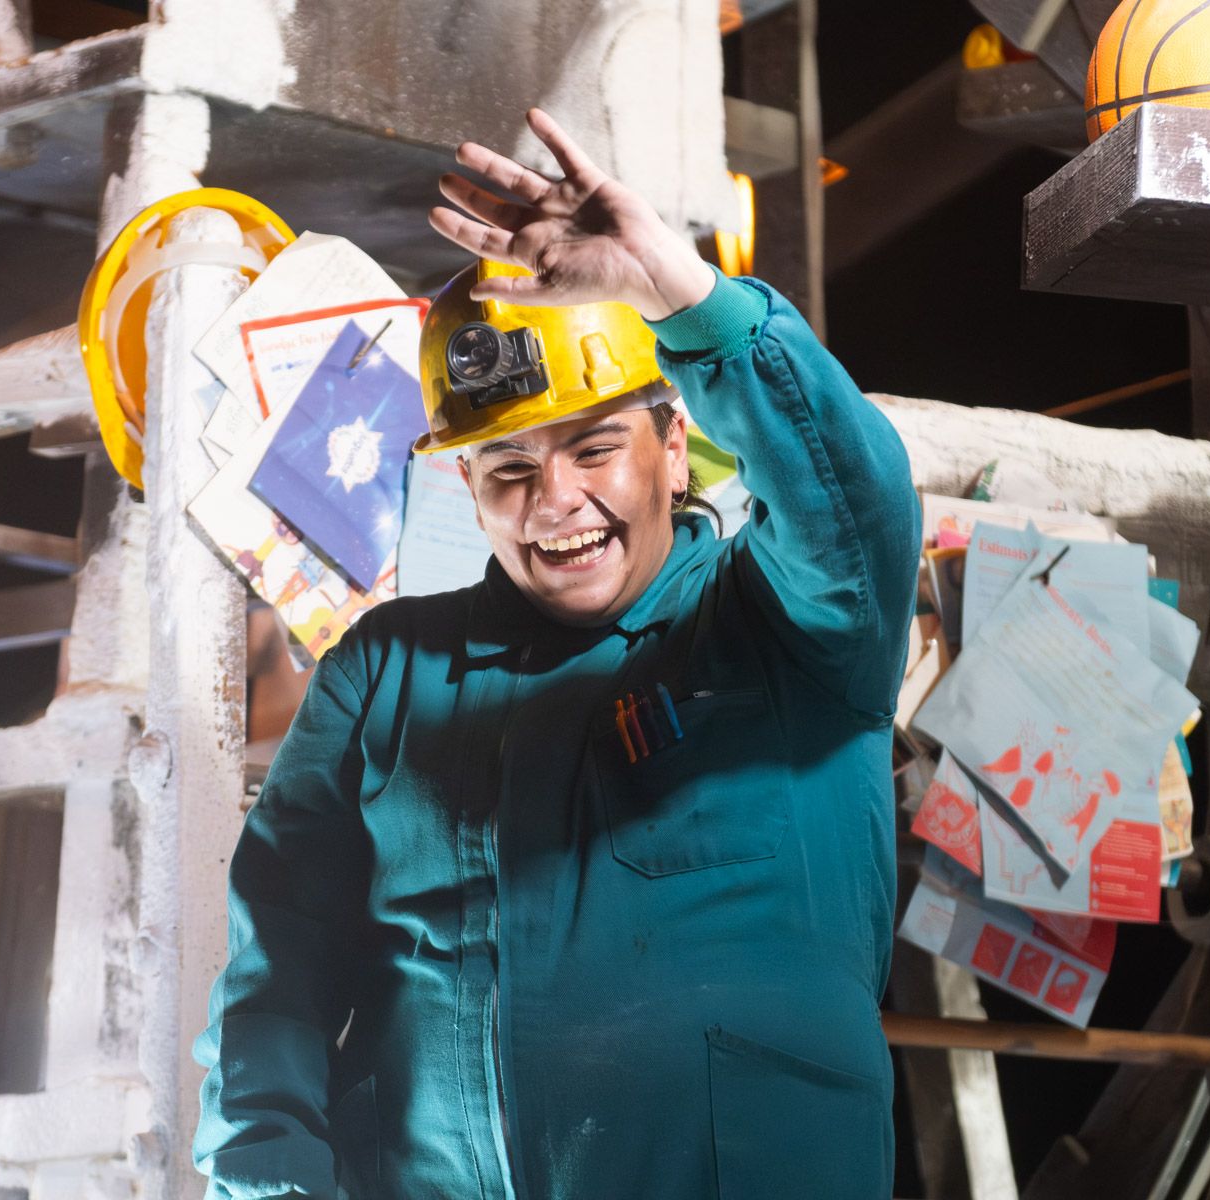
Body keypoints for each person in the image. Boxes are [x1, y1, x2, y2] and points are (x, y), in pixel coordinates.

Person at [192, 107, 921, 1200]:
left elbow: (857, 505)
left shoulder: (789, 628)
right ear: (464, 488)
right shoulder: (384, 675)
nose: (557, 504)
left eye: (594, 448)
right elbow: (276, 977)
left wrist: (684, 296)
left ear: (675, 449)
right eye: (509, 471)